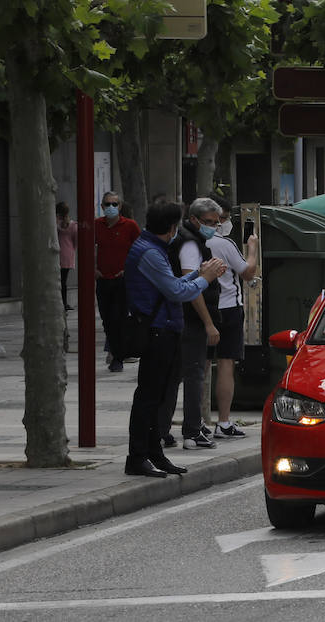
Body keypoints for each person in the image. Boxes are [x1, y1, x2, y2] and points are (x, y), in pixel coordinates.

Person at [123, 201, 226, 477]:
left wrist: (199, 273)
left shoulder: (154, 249)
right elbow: (176, 292)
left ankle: (154, 454)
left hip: (166, 330)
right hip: (158, 331)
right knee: (149, 397)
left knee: (158, 397)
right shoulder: (150, 253)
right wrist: (204, 279)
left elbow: (174, 284)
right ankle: (138, 456)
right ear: (171, 227)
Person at [160, 197, 224, 451]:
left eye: (216, 222)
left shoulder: (188, 239)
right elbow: (191, 286)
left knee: (175, 376)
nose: (213, 227)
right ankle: (192, 431)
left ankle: (162, 430)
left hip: (179, 318)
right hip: (191, 320)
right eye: (208, 222)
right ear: (195, 219)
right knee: (194, 375)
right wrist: (209, 323)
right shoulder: (190, 244)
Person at [206, 195, 258, 439]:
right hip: (229, 308)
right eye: (221, 218)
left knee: (200, 366)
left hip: (203, 307)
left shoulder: (191, 243)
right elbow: (247, 273)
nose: (223, 223)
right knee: (226, 365)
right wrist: (252, 248)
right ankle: (223, 422)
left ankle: (197, 422)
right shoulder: (225, 244)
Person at [94, 191, 140, 372]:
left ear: (120, 206)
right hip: (103, 279)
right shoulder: (97, 225)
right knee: (107, 319)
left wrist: (129, 270)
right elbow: (88, 248)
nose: (111, 207)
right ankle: (114, 350)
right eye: (107, 204)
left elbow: (139, 250)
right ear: (102, 207)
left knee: (119, 318)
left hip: (123, 280)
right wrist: (93, 269)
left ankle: (118, 356)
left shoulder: (130, 226)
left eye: (114, 204)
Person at [56, 202, 76, 311]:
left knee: (58, 281)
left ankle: (60, 302)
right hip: (68, 254)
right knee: (64, 280)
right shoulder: (72, 225)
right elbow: (76, 241)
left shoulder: (55, 224)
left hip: (57, 254)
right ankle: (64, 303)